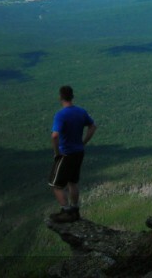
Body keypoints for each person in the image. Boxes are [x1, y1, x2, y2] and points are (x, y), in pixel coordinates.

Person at [48, 85, 97, 223]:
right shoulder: (81, 111)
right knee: (73, 182)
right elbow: (93, 126)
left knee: (56, 185)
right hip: (79, 152)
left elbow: (54, 136)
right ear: (72, 96)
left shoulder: (60, 115)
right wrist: (83, 142)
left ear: (60, 97)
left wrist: (57, 153)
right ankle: (75, 210)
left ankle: (66, 211)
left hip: (66, 154)